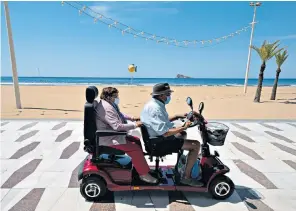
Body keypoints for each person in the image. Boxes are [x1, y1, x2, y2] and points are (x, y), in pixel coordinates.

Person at [140, 83, 203, 187]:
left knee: (181, 134)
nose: (169, 96)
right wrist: (184, 126)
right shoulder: (156, 109)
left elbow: (161, 122)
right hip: (158, 143)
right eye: (168, 94)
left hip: (155, 139)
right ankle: (186, 178)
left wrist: (176, 116)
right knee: (195, 145)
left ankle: (180, 165)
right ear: (161, 95)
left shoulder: (154, 104)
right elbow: (165, 132)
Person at [94, 87, 158, 184]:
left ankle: (141, 169)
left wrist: (132, 118)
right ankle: (144, 175)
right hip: (108, 137)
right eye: (115, 96)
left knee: (136, 140)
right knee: (135, 148)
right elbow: (117, 126)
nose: (117, 98)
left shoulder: (107, 104)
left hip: (112, 134)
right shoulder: (106, 108)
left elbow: (119, 114)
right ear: (108, 97)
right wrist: (135, 125)